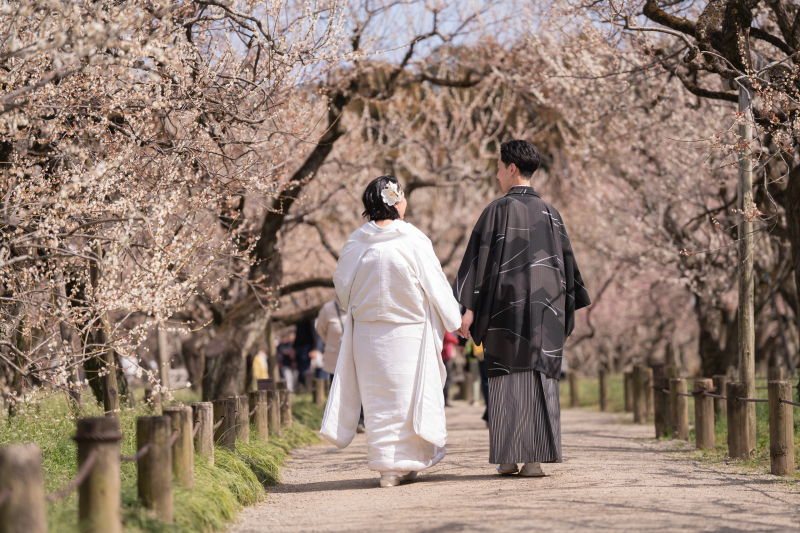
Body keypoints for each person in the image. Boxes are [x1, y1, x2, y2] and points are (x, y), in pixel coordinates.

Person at [454, 139, 591, 478]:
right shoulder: (551, 214)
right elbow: (569, 273)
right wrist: (560, 311)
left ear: (512, 168)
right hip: (547, 312)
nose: (497, 174)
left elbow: (477, 264)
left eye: (499, 168)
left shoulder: (495, 212)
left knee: (504, 380)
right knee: (540, 377)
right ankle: (534, 460)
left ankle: (508, 458)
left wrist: (468, 309)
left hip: (504, 312)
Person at [320, 175, 462, 488]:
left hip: (368, 334)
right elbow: (436, 283)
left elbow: (342, 289)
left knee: (378, 401)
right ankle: (406, 462)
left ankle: (389, 468)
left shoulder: (357, 240)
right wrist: (455, 320)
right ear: (395, 201)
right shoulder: (412, 238)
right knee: (407, 399)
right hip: (408, 332)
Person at [317, 296, 365, 433]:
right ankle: (338, 422)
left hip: (355, 354)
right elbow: (320, 329)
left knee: (358, 386)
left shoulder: (358, 304)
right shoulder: (327, 309)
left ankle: (360, 421)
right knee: (336, 387)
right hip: (334, 355)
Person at [441, 331, 458, 407]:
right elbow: (448, 338)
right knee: (446, 379)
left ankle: (445, 400)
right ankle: (444, 400)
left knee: (446, 379)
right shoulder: (446, 328)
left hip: (444, 356)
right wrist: (459, 341)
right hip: (443, 356)